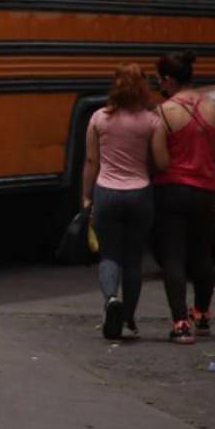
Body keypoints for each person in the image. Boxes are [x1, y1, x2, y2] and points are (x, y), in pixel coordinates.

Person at [151, 51, 215, 345]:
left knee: (173, 256)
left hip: (171, 190)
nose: (159, 84)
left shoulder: (164, 113)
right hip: (205, 191)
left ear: (170, 80)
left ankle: (180, 323)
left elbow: (159, 161)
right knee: (202, 255)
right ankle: (202, 315)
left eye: (160, 80)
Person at [80, 64, 160, 340]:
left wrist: (86, 196)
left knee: (110, 254)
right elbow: (158, 160)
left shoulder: (99, 118)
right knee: (134, 260)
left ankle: (111, 300)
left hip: (107, 192)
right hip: (140, 193)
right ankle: (129, 320)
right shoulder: (151, 121)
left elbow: (91, 161)